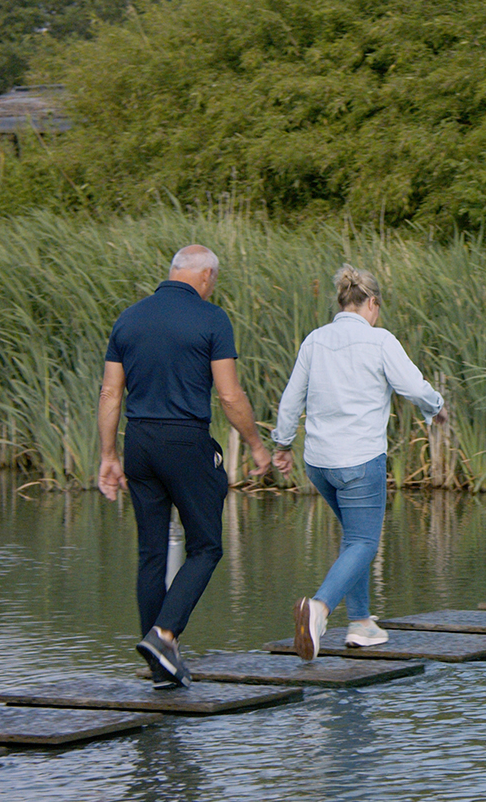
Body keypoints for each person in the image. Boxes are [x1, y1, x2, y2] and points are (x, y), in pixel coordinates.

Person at [98, 245, 273, 688]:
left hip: (139, 442)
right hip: (185, 439)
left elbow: (109, 394)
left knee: (152, 552)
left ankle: (159, 665)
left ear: (174, 271)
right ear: (207, 277)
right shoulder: (212, 318)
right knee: (206, 546)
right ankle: (164, 634)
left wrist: (108, 456)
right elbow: (230, 396)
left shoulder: (129, 317)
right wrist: (255, 444)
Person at [271, 264, 446, 660]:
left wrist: (282, 445)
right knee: (365, 541)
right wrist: (435, 407)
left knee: (353, 539)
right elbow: (412, 386)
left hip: (319, 464)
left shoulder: (314, 341)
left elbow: (290, 399)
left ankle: (362, 623)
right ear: (372, 303)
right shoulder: (379, 340)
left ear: (341, 301)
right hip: (359, 461)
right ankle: (318, 609)